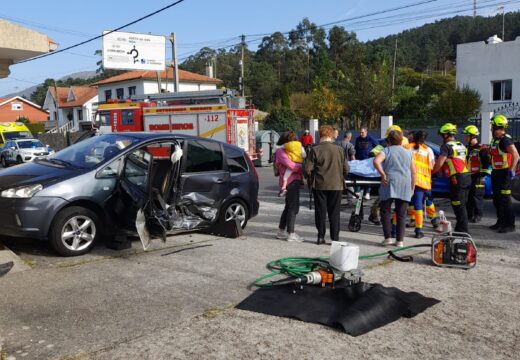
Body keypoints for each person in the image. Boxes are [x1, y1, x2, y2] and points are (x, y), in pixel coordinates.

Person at [304, 125, 349, 245]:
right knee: (334, 213)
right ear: (331, 135)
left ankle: (320, 236)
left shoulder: (315, 149)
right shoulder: (339, 150)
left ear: (320, 135)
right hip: (337, 185)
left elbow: (307, 169)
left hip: (320, 185)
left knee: (320, 212)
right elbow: (347, 169)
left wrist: (309, 178)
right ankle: (335, 238)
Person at [373, 130, 416, 247]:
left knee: (385, 211)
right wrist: (413, 185)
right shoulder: (408, 153)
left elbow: (376, 161)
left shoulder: (386, 150)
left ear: (389, 140)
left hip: (389, 182)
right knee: (401, 214)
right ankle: (400, 241)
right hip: (405, 183)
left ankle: (388, 238)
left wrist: (382, 174)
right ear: (401, 140)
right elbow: (413, 172)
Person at [432, 123, 471, 233]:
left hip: (457, 178)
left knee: (458, 205)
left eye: (442, 135)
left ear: (446, 135)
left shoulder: (446, 146)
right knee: (462, 205)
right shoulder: (461, 145)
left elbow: (440, 162)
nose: (441, 137)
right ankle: (460, 227)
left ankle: (463, 231)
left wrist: (431, 172)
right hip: (467, 176)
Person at [488, 114, 519, 233]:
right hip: (496, 173)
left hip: (504, 173)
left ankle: (510, 225)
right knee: (497, 199)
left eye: (493, 126)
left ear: (497, 127)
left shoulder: (505, 140)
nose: (491, 128)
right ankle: (500, 222)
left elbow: (516, 155)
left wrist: (510, 170)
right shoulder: (496, 140)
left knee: (505, 199)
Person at [405, 130, 435, 238]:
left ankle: (394, 229)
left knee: (404, 203)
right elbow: (431, 166)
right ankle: (419, 230)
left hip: (407, 180)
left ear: (413, 138)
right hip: (422, 182)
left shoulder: (407, 147)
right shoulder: (428, 150)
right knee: (421, 203)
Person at [275, 132, 304, 242]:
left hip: (293, 181)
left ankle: (281, 230)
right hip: (289, 182)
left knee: (288, 207)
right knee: (293, 207)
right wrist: (302, 166)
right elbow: (291, 165)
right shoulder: (280, 151)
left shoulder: (289, 151)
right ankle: (291, 233)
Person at [463, 125, 491, 224]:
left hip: (478, 176)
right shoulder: (467, 148)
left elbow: (486, 162)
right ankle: (469, 214)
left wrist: (483, 175)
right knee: (468, 196)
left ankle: (478, 215)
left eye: (466, 136)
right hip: (468, 175)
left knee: (477, 196)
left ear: (473, 136)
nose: (465, 138)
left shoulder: (481, 149)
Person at [278, 133, 306, 197]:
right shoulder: (300, 145)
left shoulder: (287, 145)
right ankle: (302, 182)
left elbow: (279, 147)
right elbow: (304, 155)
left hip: (292, 163)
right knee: (300, 173)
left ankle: (283, 188)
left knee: (285, 177)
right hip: (299, 163)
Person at [355, 127, 379, 200]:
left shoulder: (370, 139)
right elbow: (356, 148)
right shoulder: (357, 139)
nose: (361, 134)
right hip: (359, 161)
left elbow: (378, 146)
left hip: (368, 161)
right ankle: (357, 192)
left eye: (362, 132)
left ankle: (367, 193)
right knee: (358, 176)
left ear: (366, 132)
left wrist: (373, 154)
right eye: (360, 132)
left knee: (367, 177)